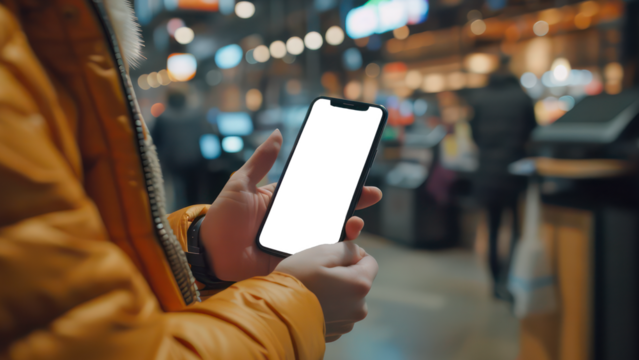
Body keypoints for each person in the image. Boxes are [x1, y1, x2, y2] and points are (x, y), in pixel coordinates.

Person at [0, 0, 381, 358]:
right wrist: (295, 305)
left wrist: (199, 251)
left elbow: (91, 278)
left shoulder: (43, 35)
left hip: (181, 173)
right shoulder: (24, 48)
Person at [468, 54, 537, 301]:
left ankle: (495, 282)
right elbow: (534, 133)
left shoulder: (480, 99)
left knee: (493, 229)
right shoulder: (522, 98)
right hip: (515, 172)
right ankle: (511, 280)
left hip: (486, 171)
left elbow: (474, 135)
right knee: (518, 230)